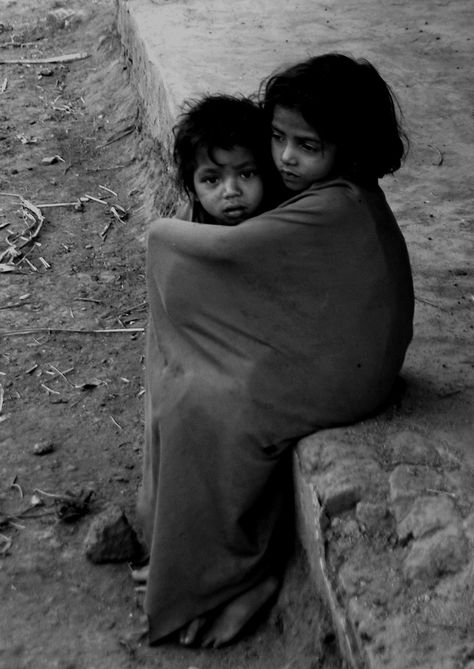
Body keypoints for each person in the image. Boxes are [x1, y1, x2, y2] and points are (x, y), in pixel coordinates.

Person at [137, 53, 414, 650]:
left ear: (350, 143)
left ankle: (225, 580)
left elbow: (219, 256)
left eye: (307, 144)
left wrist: (159, 236)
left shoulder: (333, 205)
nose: (286, 157)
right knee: (190, 385)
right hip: (348, 350)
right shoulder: (329, 190)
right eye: (280, 138)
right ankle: (186, 557)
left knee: (204, 403)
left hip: (345, 368)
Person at [171, 94, 283, 224]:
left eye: (246, 174)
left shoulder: (281, 218)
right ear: (193, 190)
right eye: (212, 180)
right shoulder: (187, 222)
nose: (231, 191)